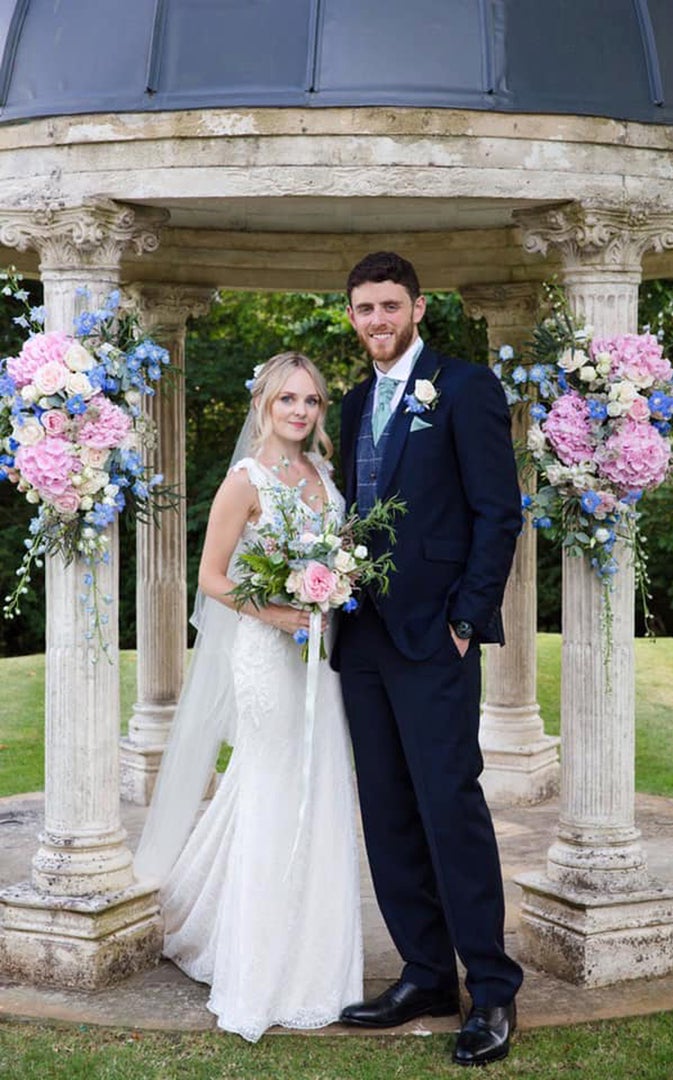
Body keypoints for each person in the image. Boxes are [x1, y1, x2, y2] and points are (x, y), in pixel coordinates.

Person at [134, 352, 362, 1043]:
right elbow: (210, 577)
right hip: (267, 655)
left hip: (319, 657)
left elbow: (340, 551)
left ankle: (316, 957)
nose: (301, 411)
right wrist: (280, 611)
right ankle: (260, 966)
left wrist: (334, 585)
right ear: (264, 403)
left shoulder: (324, 474)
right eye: (288, 399)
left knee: (320, 785)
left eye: (313, 401)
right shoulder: (245, 480)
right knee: (271, 786)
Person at [334, 252, 524, 1067]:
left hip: (435, 635)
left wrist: (468, 617)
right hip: (362, 636)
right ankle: (424, 973)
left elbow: (497, 512)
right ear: (351, 317)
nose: (377, 320)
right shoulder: (347, 406)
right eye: (364, 309)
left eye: (389, 306)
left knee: (450, 807)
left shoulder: (466, 386)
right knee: (387, 810)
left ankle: (490, 987)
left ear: (418, 307)